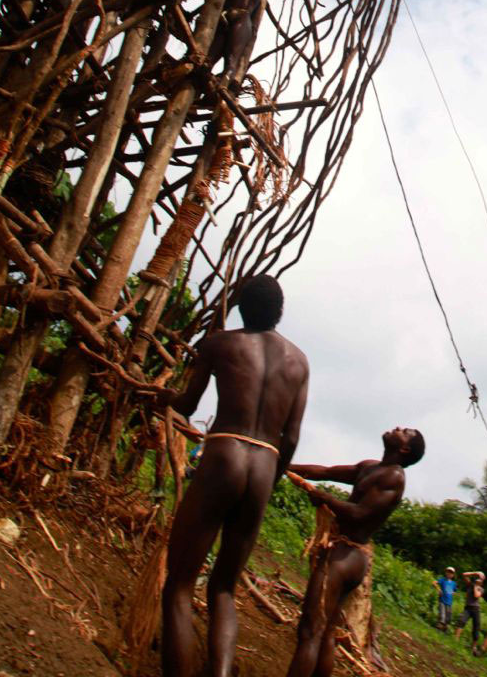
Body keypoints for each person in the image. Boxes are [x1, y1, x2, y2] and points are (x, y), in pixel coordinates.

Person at [160, 274, 309, 677]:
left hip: (224, 451)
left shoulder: (220, 343)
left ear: (240, 307)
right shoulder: (299, 361)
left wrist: (158, 396)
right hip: (265, 465)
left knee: (179, 583)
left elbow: (186, 404)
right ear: (280, 312)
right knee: (224, 588)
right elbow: (291, 438)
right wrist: (270, 480)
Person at [284, 426, 426, 677]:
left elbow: (360, 514)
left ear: (404, 449)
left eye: (404, 431)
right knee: (326, 632)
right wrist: (283, 464)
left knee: (310, 631)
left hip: (345, 556)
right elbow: (325, 472)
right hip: (348, 556)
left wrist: (324, 498)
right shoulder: (370, 468)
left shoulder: (394, 477)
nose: (396, 428)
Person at [455, 569, 485, 654]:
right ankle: (455, 640)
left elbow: (476, 595)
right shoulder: (470, 585)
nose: (478, 579)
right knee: (461, 621)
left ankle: (473, 646)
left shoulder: (481, 589)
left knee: (476, 627)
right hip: (468, 608)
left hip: (476, 609)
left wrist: (476, 585)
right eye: (477, 577)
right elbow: (464, 574)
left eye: (480, 578)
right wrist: (475, 573)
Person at [432, 565, 458, 630]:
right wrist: (438, 589)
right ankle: (438, 627)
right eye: (448, 572)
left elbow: (454, 591)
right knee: (442, 615)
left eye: (451, 572)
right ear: (446, 572)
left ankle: (444, 629)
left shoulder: (453, 583)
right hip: (442, 600)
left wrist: (452, 593)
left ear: (453, 575)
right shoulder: (443, 580)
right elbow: (434, 583)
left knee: (448, 618)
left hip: (449, 602)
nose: (449, 573)